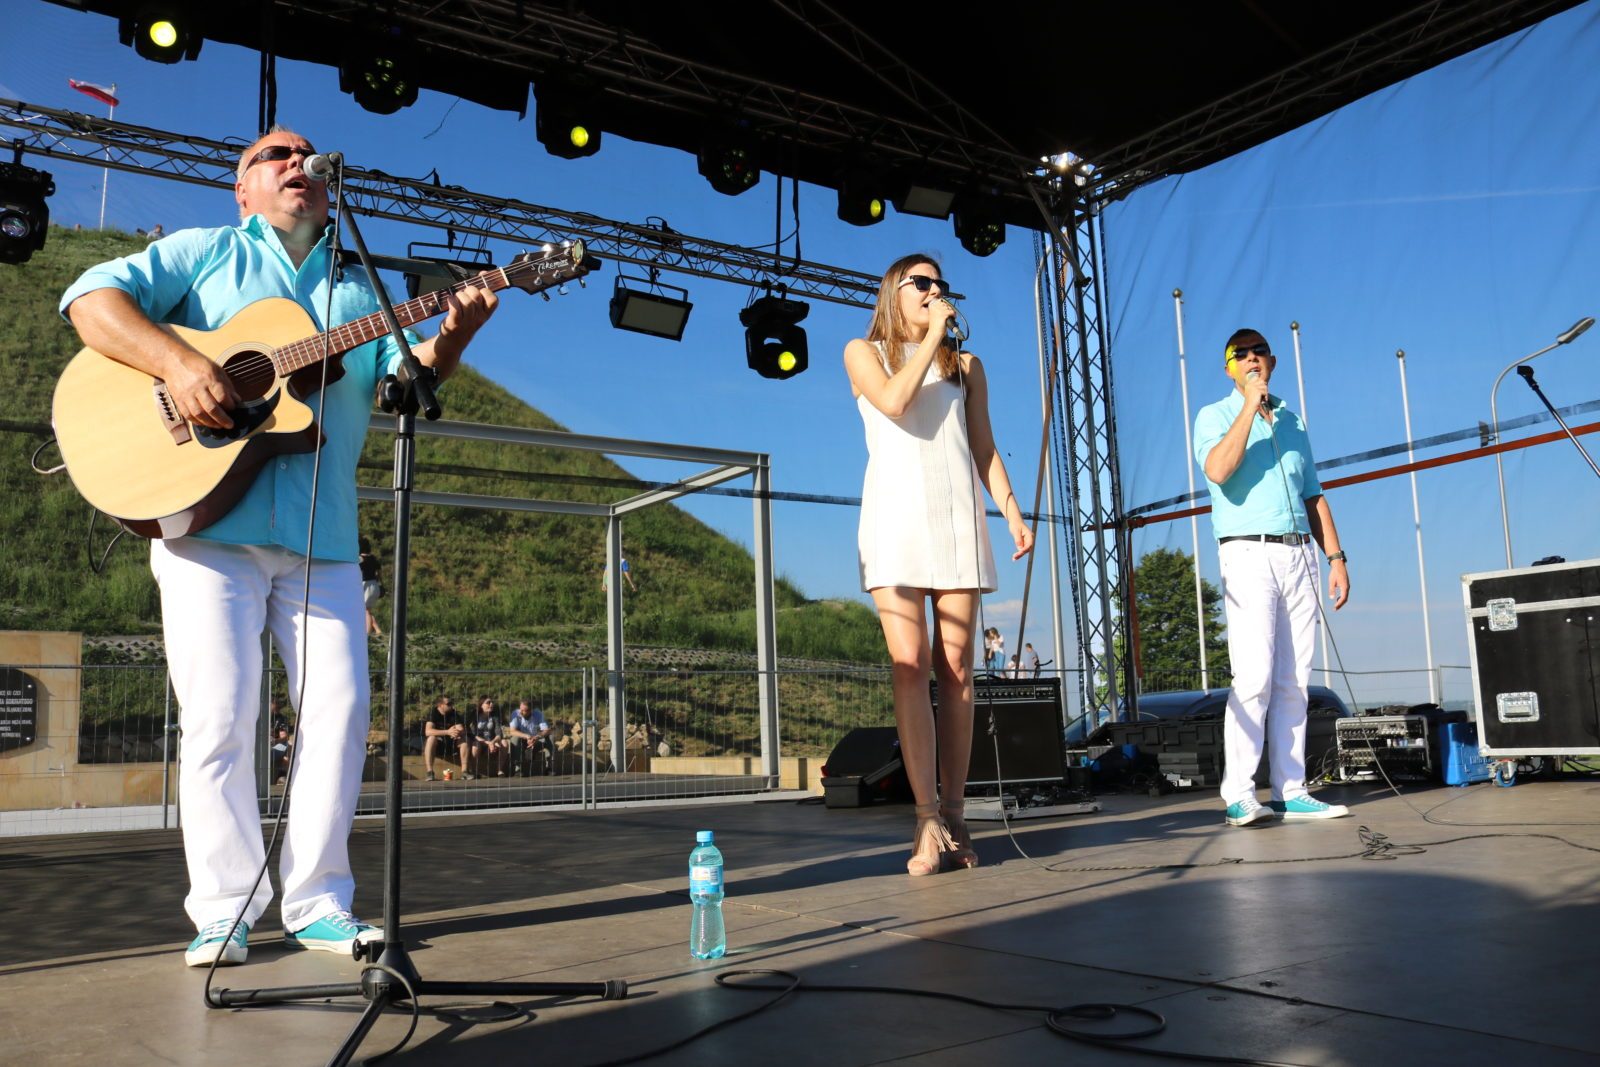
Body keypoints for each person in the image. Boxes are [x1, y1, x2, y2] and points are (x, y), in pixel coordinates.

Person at [60, 125, 498, 968]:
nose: (299, 164)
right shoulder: (205, 252)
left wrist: (455, 336)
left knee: (342, 714)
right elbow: (91, 300)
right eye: (277, 156)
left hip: (322, 536)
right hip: (205, 525)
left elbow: (406, 384)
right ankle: (224, 910)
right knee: (222, 717)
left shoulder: (361, 287)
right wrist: (180, 363)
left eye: (308, 157)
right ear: (243, 189)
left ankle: (320, 901)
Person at [844, 253, 1033, 876]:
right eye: (919, 283)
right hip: (895, 522)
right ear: (893, 293)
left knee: (956, 670)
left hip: (957, 520)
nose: (932, 290)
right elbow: (896, 402)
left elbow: (984, 446)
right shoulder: (863, 352)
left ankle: (955, 814)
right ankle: (925, 820)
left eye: (938, 284)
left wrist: (1012, 512)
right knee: (910, 664)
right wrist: (929, 339)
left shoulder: (967, 366)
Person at [1193, 328, 1351, 828]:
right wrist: (1248, 407)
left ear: (1273, 361)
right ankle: (1240, 794)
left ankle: (1290, 790)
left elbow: (1313, 493)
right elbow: (1218, 470)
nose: (1251, 358)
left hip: (1299, 552)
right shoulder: (1214, 416)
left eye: (1259, 351)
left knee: (1294, 678)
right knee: (1254, 676)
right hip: (1247, 551)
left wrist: (1336, 557)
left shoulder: (1292, 418)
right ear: (1229, 368)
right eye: (1240, 354)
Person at [424, 695, 470, 781]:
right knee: (431, 739)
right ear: (440, 705)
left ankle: (465, 772)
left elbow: (460, 728)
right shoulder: (433, 713)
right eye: (449, 704)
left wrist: (456, 732)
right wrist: (447, 732)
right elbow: (428, 731)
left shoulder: (453, 713)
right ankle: (430, 772)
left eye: (452, 703)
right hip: (438, 744)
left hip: (452, 743)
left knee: (465, 739)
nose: (451, 705)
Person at [506, 700, 549, 776]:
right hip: (522, 740)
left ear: (530, 711)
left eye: (524, 710)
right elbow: (512, 731)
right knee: (515, 739)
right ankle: (518, 769)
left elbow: (546, 730)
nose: (520, 712)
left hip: (535, 740)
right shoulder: (516, 713)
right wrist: (526, 736)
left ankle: (549, 767)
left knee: (550, 737)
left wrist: (536, 737)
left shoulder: (538, 713)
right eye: (520, 709)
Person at [469, 696, 509, 777]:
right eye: (488, 703)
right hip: (479, 741)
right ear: (481, 705)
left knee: (504, 743)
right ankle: (474, 770)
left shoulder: (495, 716)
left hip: (491, 741)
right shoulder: (475, 715)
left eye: (491, 702)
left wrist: (492, 742)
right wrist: (489, 743)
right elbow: (473, 735)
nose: (491, 704)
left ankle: (500, 770)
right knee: (476, 745)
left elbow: (499, 734)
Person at [358, 537, 382, 637]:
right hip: (374, 585)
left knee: (365, 610)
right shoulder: (373, 558)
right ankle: (377, 630)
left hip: (365, 586)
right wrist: (381, 583)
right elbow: (379, 572)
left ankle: (367, 633)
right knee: (367, 609)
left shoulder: (360, 559)